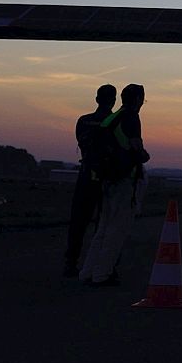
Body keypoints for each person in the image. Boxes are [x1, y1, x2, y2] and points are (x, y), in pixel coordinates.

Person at [79, 83, 149, 286]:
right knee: (116, 229)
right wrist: (143, 156)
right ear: (137, 99)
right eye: (142, 99)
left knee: (103, 227)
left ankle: (88, 272)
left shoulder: (112, 117)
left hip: (106, 178)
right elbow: (136, 148)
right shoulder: (131, 117)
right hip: (123, 179)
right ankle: (103, 274)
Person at [63, 83, 115, 278]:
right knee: (104, 224)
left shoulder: (84, 121)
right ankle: (98, 265)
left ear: (96, 99)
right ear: (113, 100)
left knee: (79, 221)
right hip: (106, 178)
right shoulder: (115, 122)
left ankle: (71, 262)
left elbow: (83, 143)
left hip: (86, 174)